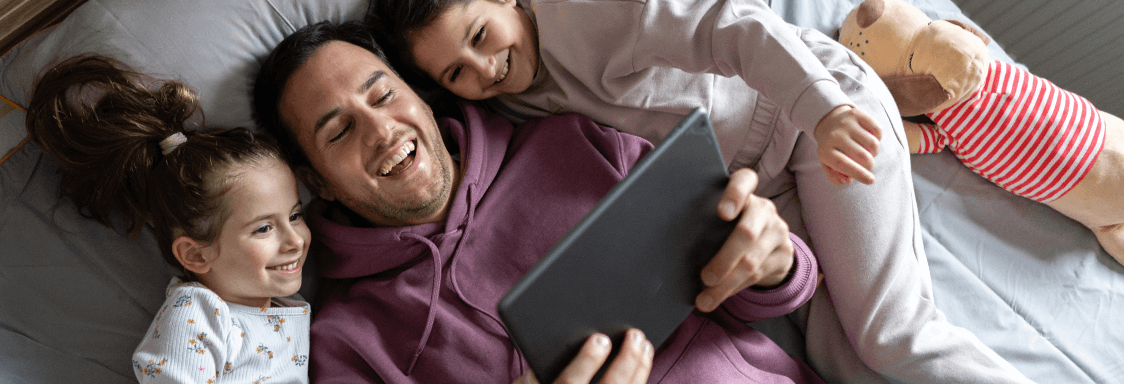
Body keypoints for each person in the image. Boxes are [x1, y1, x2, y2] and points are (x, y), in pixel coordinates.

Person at [366, 0, 1034, 382]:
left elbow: (735, 30)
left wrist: (826, 112)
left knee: (892, 334)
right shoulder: (510, 107)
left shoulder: (593, 12)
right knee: (843, 360)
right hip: (757, 195)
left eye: (481, 36)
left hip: (818, 123)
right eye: (458, 71)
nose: (488, 68)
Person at [251, 21, 823, 383]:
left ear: (417, 96)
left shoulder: (574, 145)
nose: (381, 131)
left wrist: (778, 263)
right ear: (315, 180)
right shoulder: (345, 341)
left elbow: (767, 286)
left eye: (383, 96)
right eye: (339, 132)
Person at [26, 55, 312, 384]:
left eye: (295, 215)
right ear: (196, 254)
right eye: (264, 228)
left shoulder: (286, 304)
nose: (295, 240)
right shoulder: (198, 314)